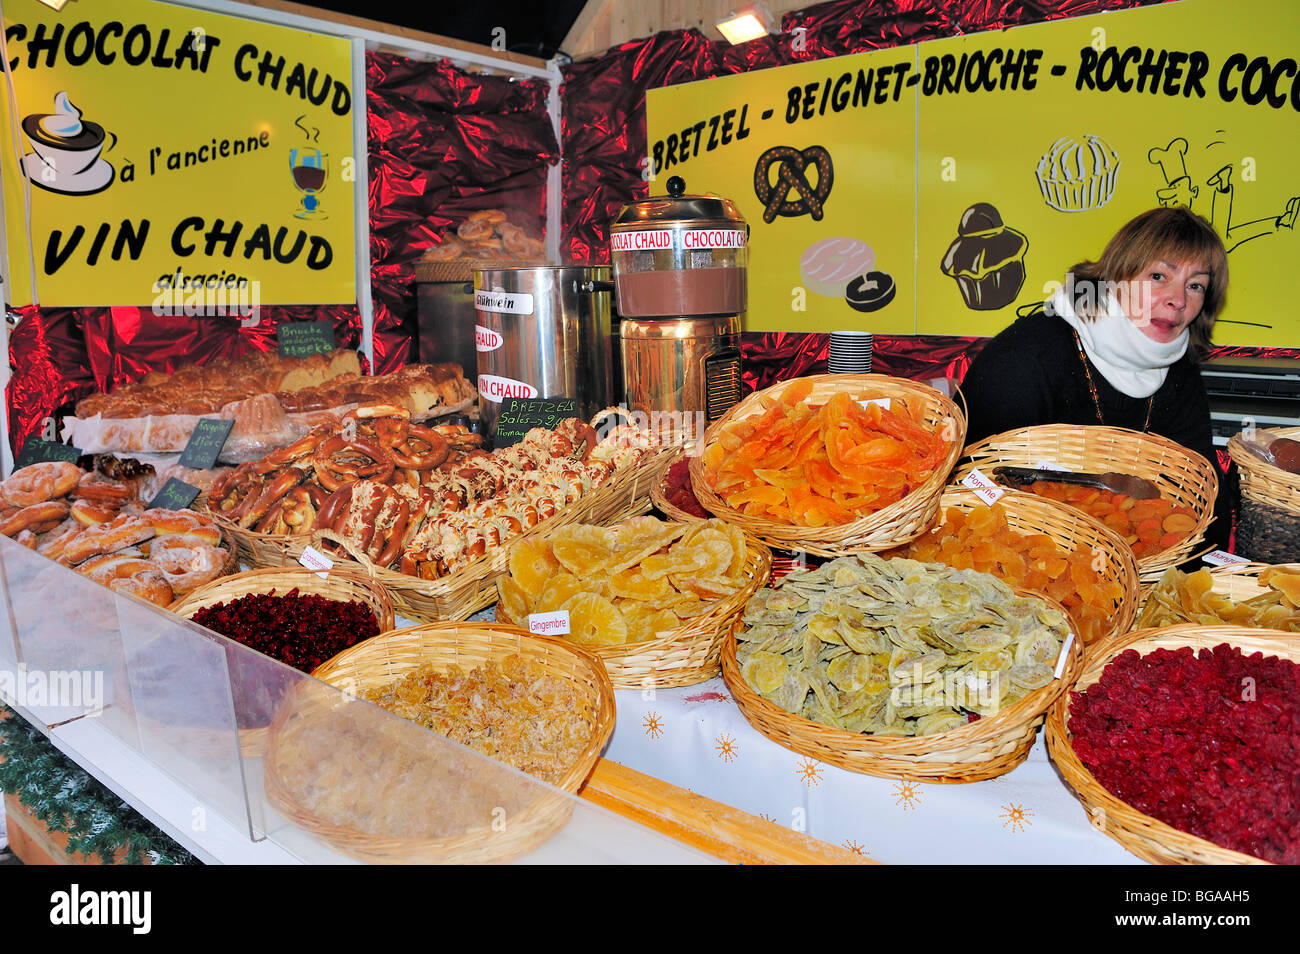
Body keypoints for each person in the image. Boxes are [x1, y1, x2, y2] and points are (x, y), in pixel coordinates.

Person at [961, 206, 1231, 547]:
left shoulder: (1179, 370)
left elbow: (1204, 491)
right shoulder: (1027, 358)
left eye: (1195, 286)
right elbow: (969, 480)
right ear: (1117, 275)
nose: (1177, 300)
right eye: (1159, 277)